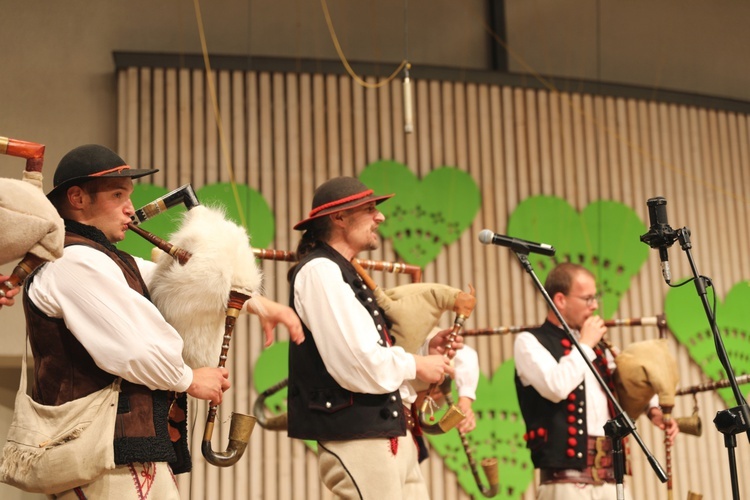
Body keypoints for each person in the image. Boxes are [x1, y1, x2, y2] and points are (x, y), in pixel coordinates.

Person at [22, 144, 302, 499]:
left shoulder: (107, 260)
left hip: (122, 453)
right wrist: (189, 379)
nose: (129, 207)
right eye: (117, 195)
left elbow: (182, 285)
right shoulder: (74, 262)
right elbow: (131, 349)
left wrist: (262, 305)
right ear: (77, 198)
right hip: (101, 455)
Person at [287, 176, 460, 500]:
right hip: (360, 440)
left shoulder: (340, 271)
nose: (379, 217)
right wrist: (416, 364)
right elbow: (357, 363)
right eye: (369, 209)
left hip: (386, 434)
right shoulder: (320, 271)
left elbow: (367, 349)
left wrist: (424, 350)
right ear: (339, 218)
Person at [514, 262, 679, 500]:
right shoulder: (530, 341)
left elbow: (626, 382)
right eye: (588, 298)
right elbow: (556, 387)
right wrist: (585, 344)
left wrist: (652, 409)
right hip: (566, 482)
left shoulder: (597, 347)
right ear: (560, 300)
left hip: (612, 479)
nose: (594, 306)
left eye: (595, 298)